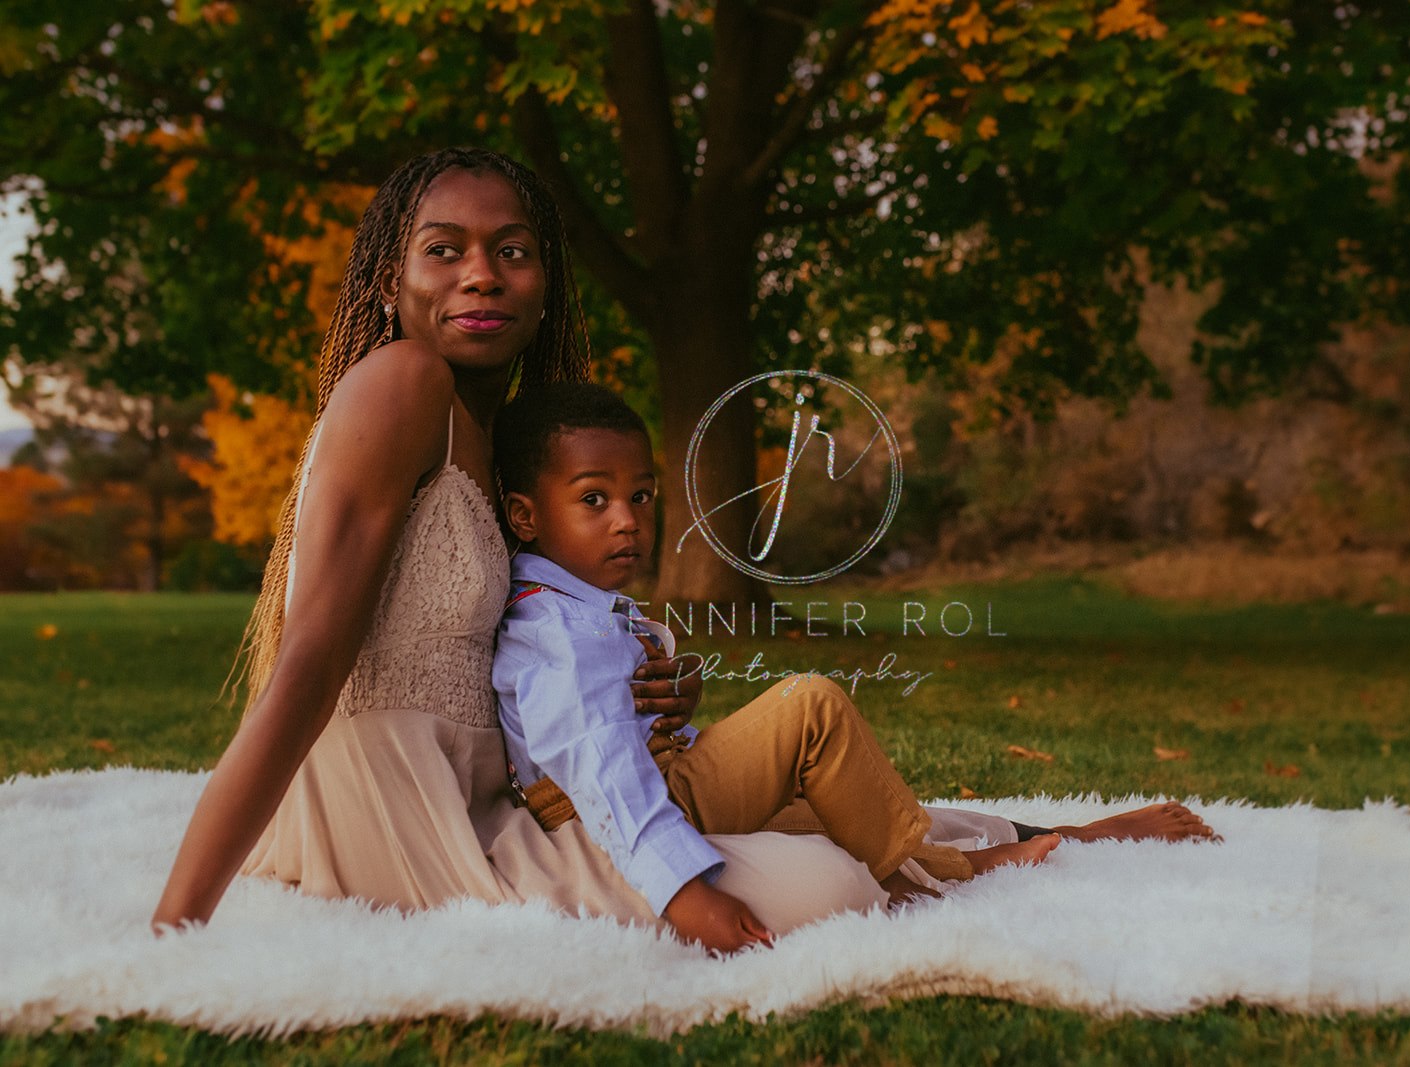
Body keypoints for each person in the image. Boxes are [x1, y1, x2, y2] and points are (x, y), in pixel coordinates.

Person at [150, 146, 1213, 955]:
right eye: (445, 249)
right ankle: (1003, 860)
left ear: (544, 282)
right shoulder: (403, 384)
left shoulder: (497, 433)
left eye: (512, 251)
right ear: (390, 276)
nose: (481, 275)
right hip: (401, 824)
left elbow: (489, 642)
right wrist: (173, 931)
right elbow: (308, 661)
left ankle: (1045, 839)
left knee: (795, 802)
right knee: (820, 883)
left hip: (497, 790)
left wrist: (632, 680)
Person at [490, 382, 1063, 928]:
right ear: (525, 516)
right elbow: (603, 766)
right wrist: (683, 893)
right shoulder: (557, 627)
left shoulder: (575, 605)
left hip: (662, 774)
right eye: (594, 499)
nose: (627, 519)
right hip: (625, 805)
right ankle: (936, 876)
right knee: (812, 704)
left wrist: (679, 680)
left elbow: (616, 700)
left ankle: (957, 866)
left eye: (640, 496)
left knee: (825, 810)